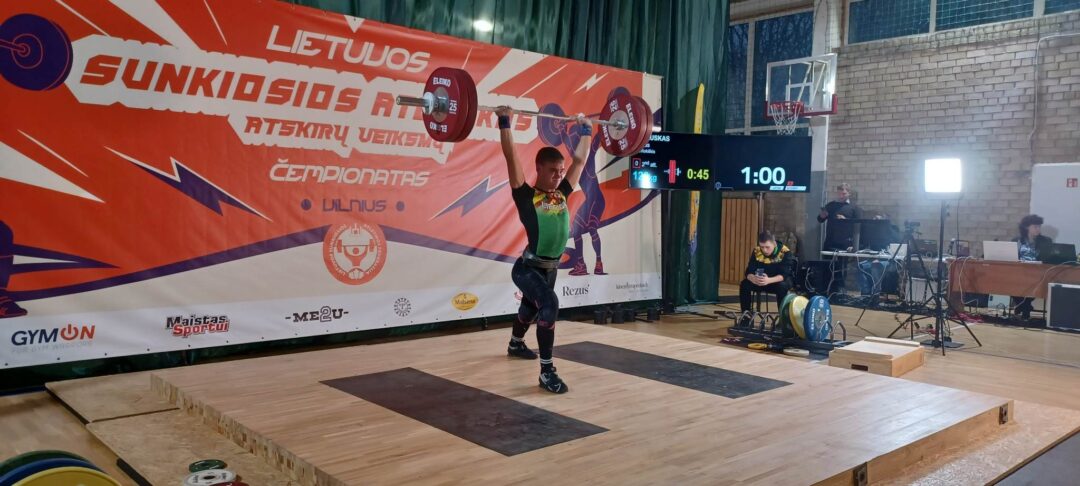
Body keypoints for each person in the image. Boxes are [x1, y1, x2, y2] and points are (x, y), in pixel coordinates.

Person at [498, 106, 589, 394]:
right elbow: (511, 156)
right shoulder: (525, 194)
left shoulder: (561, 193)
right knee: (549, 305)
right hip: (527, 269)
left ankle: (515, 344)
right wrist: (504, 121)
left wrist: (586, 129)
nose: (558, 176)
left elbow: (580, 160)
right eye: (552, 171)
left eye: (560, 171)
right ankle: (547, 372)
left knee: (529, 308)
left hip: (549, 269)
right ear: (538, 168)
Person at [817, 183, 862, 294]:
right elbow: (820, 220)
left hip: (845, 243)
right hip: (830, 241)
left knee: (842, 268)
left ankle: (839, 291)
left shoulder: (854, 208)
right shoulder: (831, 205)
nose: (841, 196)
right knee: (827, 266)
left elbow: (858, 226)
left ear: (849, 193)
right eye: (839, 193)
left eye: (844, 193)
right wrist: (822, 216)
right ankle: (826, 290)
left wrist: (846, 220)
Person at [739, 231, 795, 318]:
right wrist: (752, 278)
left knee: (782, 286)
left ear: (774, 244)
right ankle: (746, 317)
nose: (764, 250)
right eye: (762, 247)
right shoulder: (757, 251)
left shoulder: (785, 252)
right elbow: (748, 271)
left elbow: (784, 275)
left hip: (777, 281)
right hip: (760, 281)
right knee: (744, 284)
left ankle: (782, 319)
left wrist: (768, 280)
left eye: (767, 247)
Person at [1011, 214, 1053, 319]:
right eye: (1035, 226)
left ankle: (1023, 307)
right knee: (1009, 280)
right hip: (1019, 271)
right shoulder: (1016, 240)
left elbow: (1047, 258)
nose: (1038, 229)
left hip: (1037, 272)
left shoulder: (1046, 241)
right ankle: (1026, 307)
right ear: (1026, 227)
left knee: (1032, 282)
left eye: (1039, 226)